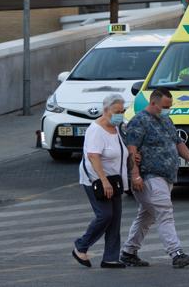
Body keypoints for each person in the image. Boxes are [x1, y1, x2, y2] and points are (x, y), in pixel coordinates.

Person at [120, 87, 189, 269]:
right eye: (164, 106)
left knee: (146, 216)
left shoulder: (166, 119)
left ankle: (128, 252)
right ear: (153, 103)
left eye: (169, 106)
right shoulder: (139, 121)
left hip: (166, 177)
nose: (167, 110)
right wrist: (135, 175)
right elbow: (132, 150)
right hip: (149, 176)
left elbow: (177, 142)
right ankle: (176, 253)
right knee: (164, 212)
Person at [72, 94, 128, 269]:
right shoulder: (96, 130)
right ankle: (81, 246)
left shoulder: (116, 127)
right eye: (116, 111)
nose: (120, 114)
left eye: (122, 111)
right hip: (97, 180)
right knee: (105, 215)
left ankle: (110, 257)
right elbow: (93, 156)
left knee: (115, 218)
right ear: (105, 110)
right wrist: (104, 181)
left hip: (115, 181)